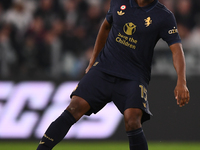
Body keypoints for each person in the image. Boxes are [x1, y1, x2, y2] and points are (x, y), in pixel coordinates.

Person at [36, 0, 190, 150]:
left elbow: (176, 50)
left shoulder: (164, 16)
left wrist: (181, 82)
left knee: (133, 120)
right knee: (74, 107)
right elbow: (106, 26)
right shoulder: (119, 2)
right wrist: (93, 60)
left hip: (133, 76)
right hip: (104, 69)